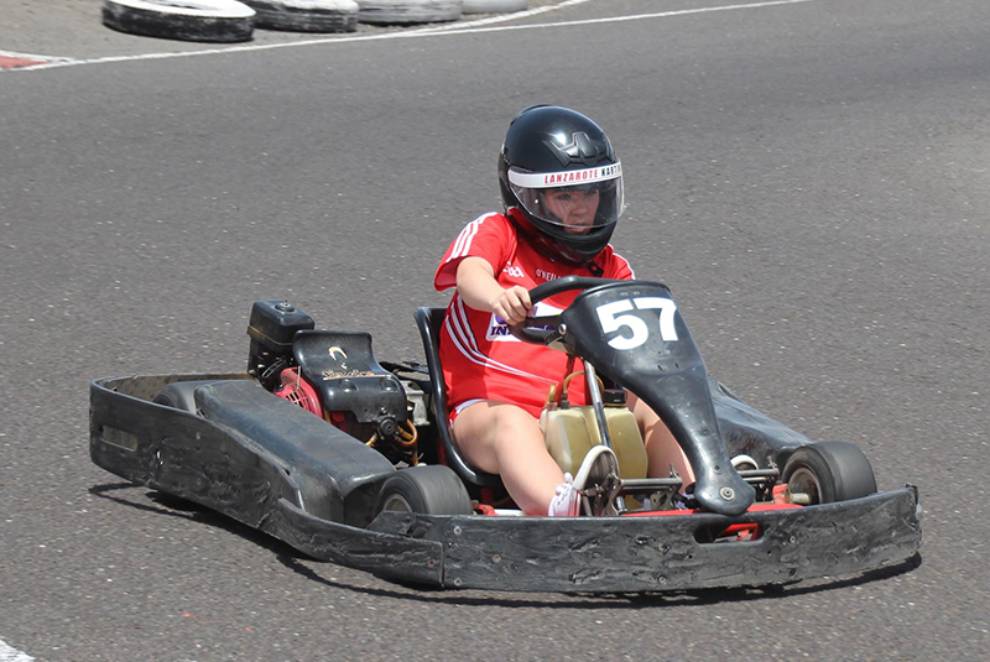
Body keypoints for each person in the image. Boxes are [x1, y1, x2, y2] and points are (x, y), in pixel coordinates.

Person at [433, 105, 693, 516]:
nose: (580, 208)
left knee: (659, 406)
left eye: (590, 193)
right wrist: (499, 296)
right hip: (487, 412)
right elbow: (470, 275)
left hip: (585, 410)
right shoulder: (499, 234)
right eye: (564, 195)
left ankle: (694, 496)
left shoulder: (613, 267)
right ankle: (566, 511)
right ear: (531, 195)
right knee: (512, 424)